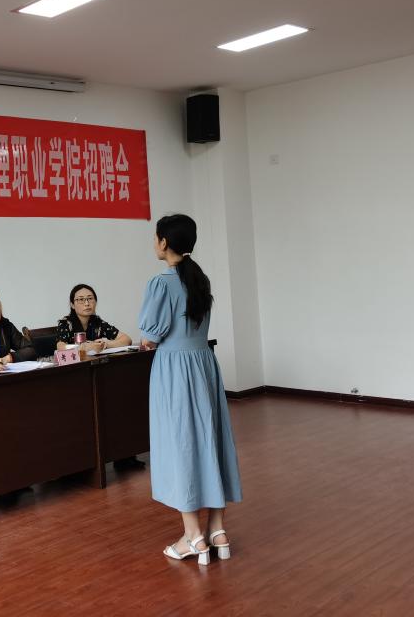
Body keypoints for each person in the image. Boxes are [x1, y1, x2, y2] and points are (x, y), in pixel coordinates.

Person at [138, 214, 241, 566]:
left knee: (180, 442)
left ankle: (192, 536)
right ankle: (217, 530)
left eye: (156, 237)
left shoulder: (160, 283)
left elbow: (150, 335)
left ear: (164, 242)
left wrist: (148, 340)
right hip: (203, 364)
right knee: (211, 439)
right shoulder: (199, 279)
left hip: (174, 369)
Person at [55, 283, 133, 354]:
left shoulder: (98, 323)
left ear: (95, 302)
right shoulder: (66, 323)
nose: (87, 303)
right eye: (81, 299)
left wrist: (106, 344)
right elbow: (61, 347)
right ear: (72, 305)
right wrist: (84, 348)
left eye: (90, 298)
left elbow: (127, 339)